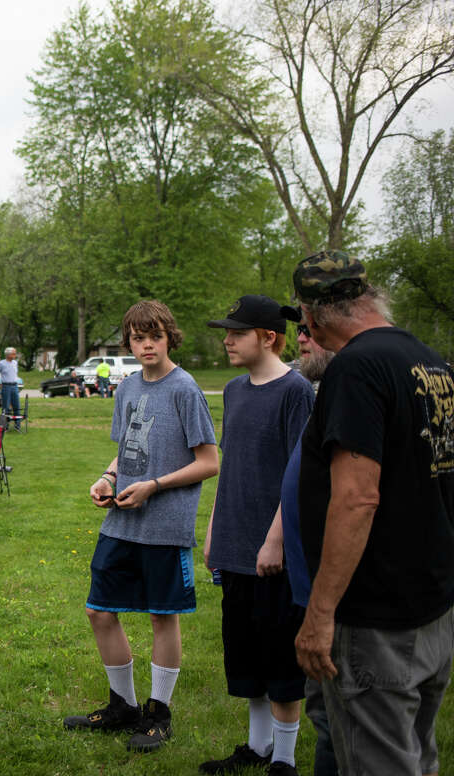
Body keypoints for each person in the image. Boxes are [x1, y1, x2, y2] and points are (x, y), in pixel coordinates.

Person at [292, 251, 454, 776]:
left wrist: (319, 616)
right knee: (417, 757)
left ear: (311, 317)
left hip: (376, 620)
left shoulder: (357, 368)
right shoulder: (429, 360)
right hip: (431, 608)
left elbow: (358, 497)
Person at [64, 300, 219, 753]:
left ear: (169, 336)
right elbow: (126, 450)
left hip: (165, 526)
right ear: (128, 341)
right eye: (137, 337)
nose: (146, 344)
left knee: (160, 617)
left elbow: (209, 462)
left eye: (154, 335)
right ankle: (123, 707)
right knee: (99, 610)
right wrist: (108, 477)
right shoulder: (128, 387)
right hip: (121, 520)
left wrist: (154, 485)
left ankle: (159, 714)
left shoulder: (185, 389)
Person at [199, 295, 315, 776]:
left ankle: (283, 761)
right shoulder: (233, 389)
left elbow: (301, 474)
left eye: (236, 333)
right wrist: (212, 532)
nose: (226, 340)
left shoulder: (296, 391)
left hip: (275, 552)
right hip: (234, 544)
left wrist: (276, 541)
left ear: (268, 337)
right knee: (246, 655)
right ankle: (258, 746)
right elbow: (230, 470)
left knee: (280, 659)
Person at [276, 308, 339, 776]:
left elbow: (359, 500)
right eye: (298, 329)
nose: (300, 337)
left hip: (343, 599)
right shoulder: (324, 390)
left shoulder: (355, 392)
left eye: (309, 328)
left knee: (351, 727)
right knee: (331, 720)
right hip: (312, 585)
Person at [0, 347, 22, 431]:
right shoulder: (1, 363)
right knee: (6, 406)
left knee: (17, 405)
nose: (15, 355)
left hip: (14, 386)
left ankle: (17, 425)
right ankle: (5, 426)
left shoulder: (15, 363)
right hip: (6, 386)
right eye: (14, 354)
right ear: (8, 355)